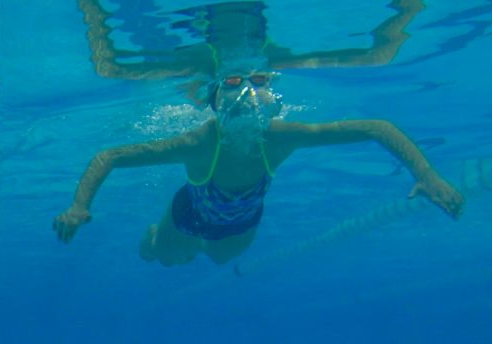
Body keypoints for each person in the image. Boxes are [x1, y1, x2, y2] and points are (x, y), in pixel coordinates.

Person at [51, 59, 465, 267]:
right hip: (189, 216)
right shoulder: (199, 142)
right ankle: (157, 233)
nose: (248, 94)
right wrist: (79, 206)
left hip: (240, 223)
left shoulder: (279, 137)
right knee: (165, 256)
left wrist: (425, 174)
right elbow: (110, 156)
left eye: (259, 82)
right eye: (233, 83)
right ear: (216, 102)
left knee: (219, 259)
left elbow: (375, 126)